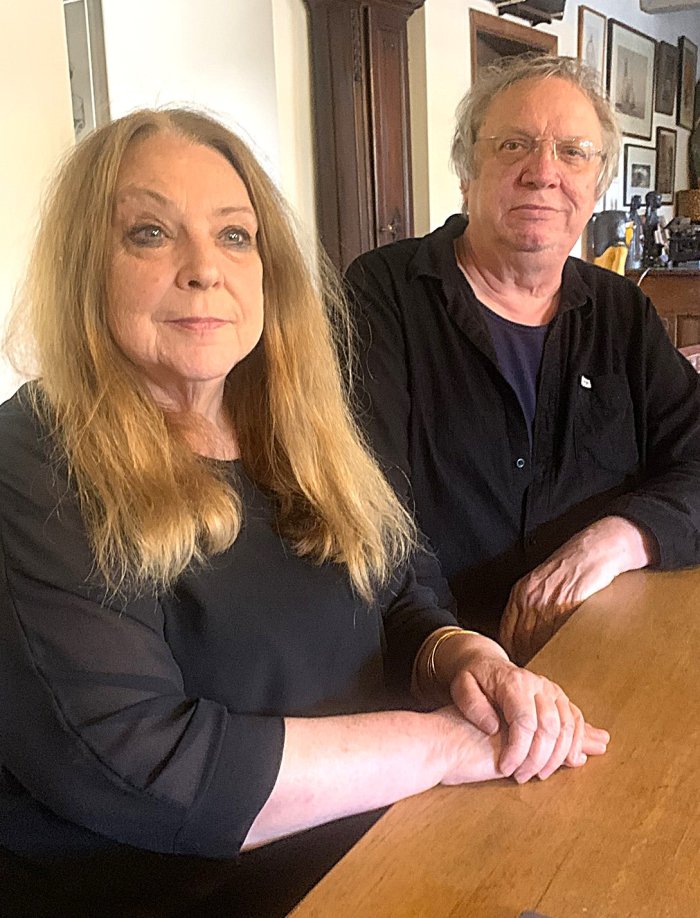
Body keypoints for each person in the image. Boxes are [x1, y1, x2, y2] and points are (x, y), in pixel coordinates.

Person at [0, 108, 608, 917]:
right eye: (149, 234)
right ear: (84, 268)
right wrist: (441, 747)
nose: (203, 269)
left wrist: (465, 660)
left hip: (374, 858)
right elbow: (144, 769)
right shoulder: (33, 459)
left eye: (234, 235)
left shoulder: (302, 427)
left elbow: (398, 594)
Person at [345, 55, 700, 666]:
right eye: (514, 145)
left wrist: (613, 541)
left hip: (606, 639)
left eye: (573, 152)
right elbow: (362, 504)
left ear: (596, 185)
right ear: (467, 170)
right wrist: (451, 647)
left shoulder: (622, 313)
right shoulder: (384, 293)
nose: (543, 173)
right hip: (429, 663)